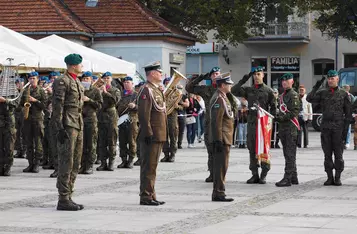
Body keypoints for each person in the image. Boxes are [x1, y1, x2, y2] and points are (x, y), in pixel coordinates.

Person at [186, 67, 239, 182]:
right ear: (210, 77)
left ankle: (219, 174)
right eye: (214, 74)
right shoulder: (206, 89)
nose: (216, 76)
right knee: (211, 149)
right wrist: (201, 77)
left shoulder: (224, 90)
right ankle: (212, 173)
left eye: (218, 74)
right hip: (209, 123)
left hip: (222, 124)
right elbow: (189, 88)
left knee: (221, 150)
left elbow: (233, 104)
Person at [231, 66, 276, 184]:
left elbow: (274, 109)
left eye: (258, 74)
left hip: (263, 125)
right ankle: (254, 174)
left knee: (263, 149)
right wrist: (246, 77)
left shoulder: (268, 91)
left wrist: (271, 122)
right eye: (254, 75)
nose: (256, 77)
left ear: (263, 75)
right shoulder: (249, 90)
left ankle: (264, 174)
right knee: (252, 148)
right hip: (251, 123)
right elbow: (234, 90)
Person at [307, 70, 352, 186]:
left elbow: (348, 115)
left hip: (338, 127)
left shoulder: (343, 94)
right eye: (329, 78)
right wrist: (316, 86)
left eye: (333, 78)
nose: (330, 80)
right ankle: (329, 177)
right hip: (326, 127)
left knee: (338, 154)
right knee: (327, 154)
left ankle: (337, 177)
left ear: (337, 79)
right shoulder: (323, 93)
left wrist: (345, 131)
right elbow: (309, 98)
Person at [52, 53, 85, 210]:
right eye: (80, 64)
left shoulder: (76, 80)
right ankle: (63, 198)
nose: (81, 67)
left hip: (77, 123)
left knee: (76, 161)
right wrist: (59, 127)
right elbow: (58, 106)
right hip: (67, 124)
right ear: (73, 65)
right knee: (66, 161)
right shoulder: (62, 81)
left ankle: (69, 194)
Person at [138, 61, 167, 206]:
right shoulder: (146, 90)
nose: (161, 74)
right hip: (152, 135)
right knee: (148, 167)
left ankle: (151, 193)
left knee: (153, 167)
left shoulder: (156, 89)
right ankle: (146, 196)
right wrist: (148, 132)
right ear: (153, 74)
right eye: (159, 72)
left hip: (158, 133)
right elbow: (144, 114)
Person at [210, 72, 234, 202]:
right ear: (222, 85)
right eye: (228, 84)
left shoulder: (223, 97)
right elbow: (216, 121)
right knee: (220, 166)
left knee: (222, 166)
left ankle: (219, 191)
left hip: (225, 137)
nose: (230, 86)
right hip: (222, 138)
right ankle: (219, 192)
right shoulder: (219, 98)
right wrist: (218, 139)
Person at [275, 73, 301, 187]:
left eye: (287, 80)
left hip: (290, 129)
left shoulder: (294, 95)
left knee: (290, 154)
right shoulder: (282, 96)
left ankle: (287, 178)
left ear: (292, 82)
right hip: (283, 129)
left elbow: (294, 112)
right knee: (287, 154)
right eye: (283, 81)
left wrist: (281, 118)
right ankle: (294, 177)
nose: (284, 82)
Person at [22, 72, 47, 173]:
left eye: (33, 78)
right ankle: (30, 164)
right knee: (28, 143)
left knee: (38, 143)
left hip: (37, 119)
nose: (31, 80)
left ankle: (36, 163)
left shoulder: (41, 91)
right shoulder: (25, 90)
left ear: (37, 79)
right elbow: (20, 104)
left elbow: (45, 106)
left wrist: (35, 100)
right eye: (30, 78)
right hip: (27, 119)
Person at [96, 72, 121, 171]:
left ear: (111, 79)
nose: (106, 80)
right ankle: (103, 162)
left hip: (111, 116)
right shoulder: (98, 90)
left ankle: (111, 162)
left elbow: (115, 101)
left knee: (111, 140)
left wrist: (106, 92)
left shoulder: (115, 90)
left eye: (108, 78)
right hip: (101, 116)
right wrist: (98, 91)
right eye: (104, 78)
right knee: (102, 141)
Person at [79, 71, 103, 174]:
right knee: (81, 144)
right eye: (83, 79)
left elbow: (99, 105)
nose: (85, 81)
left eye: (87, 79)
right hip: (80, 119)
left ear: (91, 80)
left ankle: (89, 165)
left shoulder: (95, 91)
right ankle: (82, 165)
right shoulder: (79, 90)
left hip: (91, 119)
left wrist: (89, 100)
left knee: (91, 144)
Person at [117, 76, 138, 169]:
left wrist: (134, 106)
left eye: (128, 82)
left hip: (132, 120)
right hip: (121, 120)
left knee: (131, 141)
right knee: (122, 141)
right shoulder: (120, 94)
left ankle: (130, 160)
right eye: (125, 82)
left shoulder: (136, 95)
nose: (126, 84)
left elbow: (142, 107)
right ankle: (123, 160)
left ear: (132, 84)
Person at [161, 77, 182, 162]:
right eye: (166, 83)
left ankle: (172, 154)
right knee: (164, 137)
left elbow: (183, 107)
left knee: (173, 136)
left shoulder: (177, 93)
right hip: (163, 116)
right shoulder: (162, 93)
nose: (168, 84)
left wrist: (177, 107)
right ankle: (166, 154)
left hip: (172, 117)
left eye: (169, 82)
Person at [0, 93, 21, 176]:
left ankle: (8, 166)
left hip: (9, 122)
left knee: (9, 146)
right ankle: (1, 166)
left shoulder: (12, 90)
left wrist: (5, 100)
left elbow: (17, 104)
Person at [13, 78, 26, 159]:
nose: (20, 85)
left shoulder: (25, 92)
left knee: (23, 133)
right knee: (17, 134)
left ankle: (24, 151)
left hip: (23, 113)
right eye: (18, 84)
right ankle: (19, 151)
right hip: (15, 113)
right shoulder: (14, 92)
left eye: (21, 84)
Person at [134, 81, 145, 166]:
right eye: (139, 87)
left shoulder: (147, 96)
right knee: (138, 141)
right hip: (137, 120)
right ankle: (139, 158)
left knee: (143, 141)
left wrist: (135, 107)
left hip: (145, 121)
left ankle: (144, 158)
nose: (140, 88)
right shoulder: (136, 96)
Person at [342, 85, 355, 149]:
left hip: (348, 115)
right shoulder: (341, 95)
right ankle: (343, 142)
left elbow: (353, 105)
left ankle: (347, 142)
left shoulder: (351, 96)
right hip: (341, 115)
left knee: (348, 130)